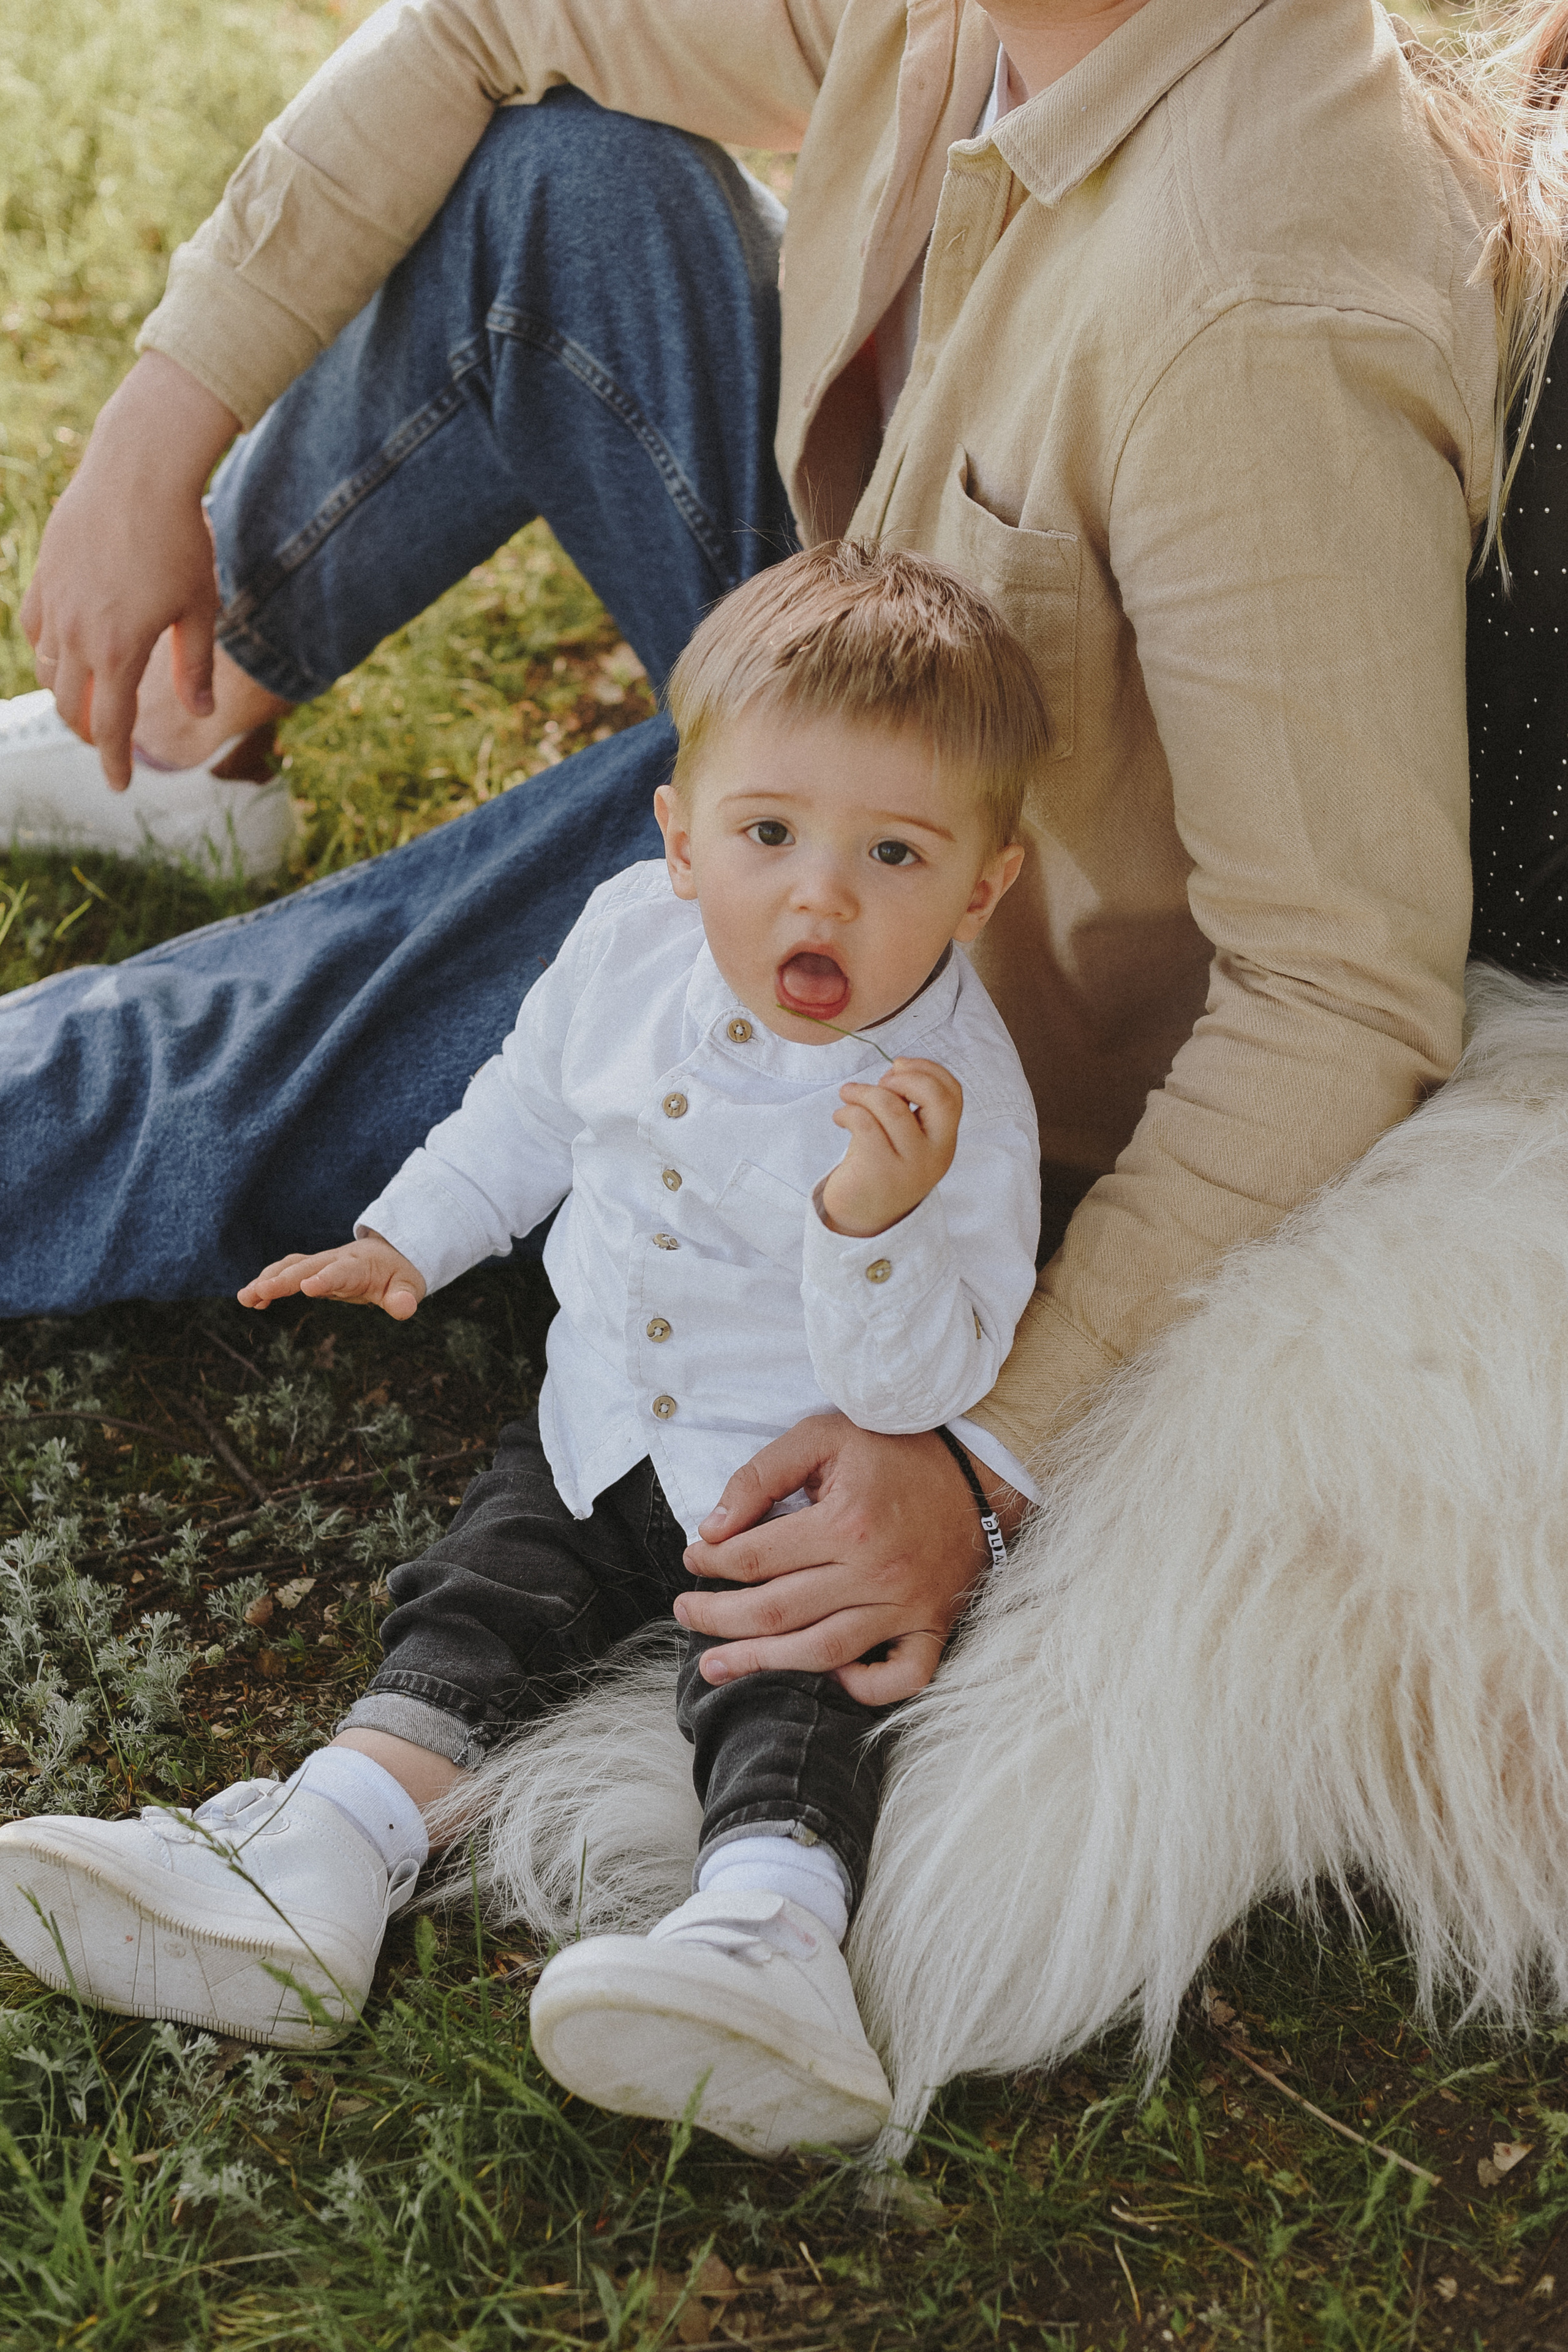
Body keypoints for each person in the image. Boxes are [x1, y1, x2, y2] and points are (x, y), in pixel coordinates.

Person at [0, 2, 1498, 1730]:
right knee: (568, 186)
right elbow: (480, 18)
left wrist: (989, 1448)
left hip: (913, 931)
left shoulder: (1260, 309)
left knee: (249, 1048)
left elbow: (1339, 990)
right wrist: (155, 435)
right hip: (868, 635)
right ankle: (178, 722)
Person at [0, 546, 1044, 2155]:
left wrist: (873, 1225)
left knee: (789, 1680)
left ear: (983, 888)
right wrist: (410, 1235)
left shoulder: (957, 1103)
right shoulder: (628, 940)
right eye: (768, 834)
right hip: (602, 1418)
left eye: (893, 853)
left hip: (793, 1482)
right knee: (480, 1595)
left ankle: (766, 1937)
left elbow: (927, 1387)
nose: (819, 895)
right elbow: (525, 1112)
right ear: (680, 839)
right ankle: (321, 1855)